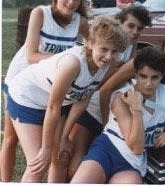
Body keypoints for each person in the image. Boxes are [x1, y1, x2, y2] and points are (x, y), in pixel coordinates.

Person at [6, 17, 129, 182]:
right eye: (104, 49)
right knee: (38, 163)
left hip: (57, 103)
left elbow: (83, 98)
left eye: (114, 51)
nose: (108, 56)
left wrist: (63, 137)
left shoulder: (106, 66)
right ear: (90, 43)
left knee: (60, 158)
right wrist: (46, 147)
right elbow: (53, 107)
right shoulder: (73, 64)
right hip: (28, 98)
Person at [0, 0, 90, 182]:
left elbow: (96, 45)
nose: (71, 2)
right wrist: (67, 62)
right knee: (11, 138)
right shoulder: (41, 13)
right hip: (22, 81)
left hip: (50, 85)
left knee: (49, 150)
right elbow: (31, 56)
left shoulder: (80, 22)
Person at [70, 46, 165, 184]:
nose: (148, 83)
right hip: (107, 149)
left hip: (131, 161)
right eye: (143, 76)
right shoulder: (121, 98)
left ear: (162, 76)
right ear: (135, 75)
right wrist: (136, 109)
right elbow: (136, 145)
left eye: (154, 77)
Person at [63, 6, 152, 181]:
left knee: (95, 159)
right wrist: (105, 122)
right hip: (91, 106)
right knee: (74, 162)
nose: (135, 32)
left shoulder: (128, 46)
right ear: (119, 23)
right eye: (131, 26)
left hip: (109, 111)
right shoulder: (107, 47)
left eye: (140, 28)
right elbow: (104, 88)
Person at [99, 24, 165, 124]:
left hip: (134, 125)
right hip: (102, 112)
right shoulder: (142, 62)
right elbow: (106, 89)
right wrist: (105, 123)